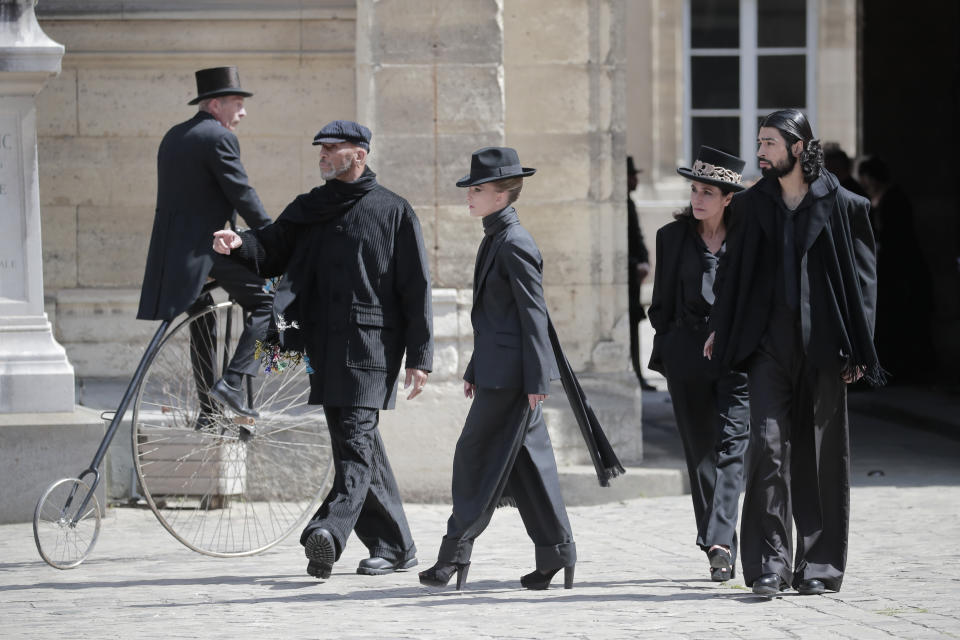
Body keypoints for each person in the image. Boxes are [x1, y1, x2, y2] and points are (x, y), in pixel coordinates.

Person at [212, 120, 433, 580]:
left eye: (333, 149)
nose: (323, 155)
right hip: (322, 347)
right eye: (321, 149)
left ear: (360, 154)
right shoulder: (310, 207)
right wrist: (238, 244)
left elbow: (416, 289)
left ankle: (328, 533)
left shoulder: (393, 210)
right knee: (357, 441)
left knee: (353, 443)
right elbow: (272, 249)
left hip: (372, 348)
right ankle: (397, 547)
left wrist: (421, 357)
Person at [419, 147, 623, 591]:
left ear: (503, 194)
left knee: (472, 459)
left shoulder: (515, 242)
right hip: (498, 371)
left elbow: (535, 317)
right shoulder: (495, 237)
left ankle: (452, 555)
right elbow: (495, 318)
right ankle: (558, 554)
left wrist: (536, 381)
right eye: (470, 189)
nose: (469, 196)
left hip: (513, 380)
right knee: (529, 468)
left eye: (477, 189)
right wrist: (475, 365)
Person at [705, 109, 882, 597]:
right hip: (766, 347)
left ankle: (820, 566)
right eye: (759, 143)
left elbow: (863, 286)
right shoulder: (754, 203)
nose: (760, 152)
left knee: (821, 457)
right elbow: (733, 272)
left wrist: (859, 346)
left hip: (825, 348)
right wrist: (721, 327)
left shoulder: (845, 205)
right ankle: (771, 564)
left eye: (769, 144)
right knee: (767, 447)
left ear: (798, 148)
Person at [138, 66, 273, 424]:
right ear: (215, 104)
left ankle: (208, 412)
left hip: (174, 257)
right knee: (268, 303)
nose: (243, 112)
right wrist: (275, 236)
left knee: (203, 323)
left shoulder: (174, 136)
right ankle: (231, 383)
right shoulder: (218, 137)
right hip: (206, 251)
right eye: (237, 103)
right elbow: (242, 193)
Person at [647, 146, 750, 582]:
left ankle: (720, 540)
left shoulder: (747, 238)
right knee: (701, 454)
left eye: (708, 192)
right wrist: (673, 344)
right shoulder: (671, 238)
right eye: (695, 189)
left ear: (728, 198)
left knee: (733, 446)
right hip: (687, 356)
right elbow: (661, 304)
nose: (698, 199)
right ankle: (717, 543)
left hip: (735, 356)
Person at [857, 155, 935, 383]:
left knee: (901, 321)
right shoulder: (887, 197)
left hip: (900, 272)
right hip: (893, 270)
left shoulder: (893, 198)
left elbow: (896, 236)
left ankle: (905, 369)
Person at [626, 156, 656, 391]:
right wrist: (636, 263)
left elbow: (638, 238)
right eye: (632, 175)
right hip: (626, 276)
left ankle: (637, 373)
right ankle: (634, 374)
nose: (636, 179)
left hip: (632, 275)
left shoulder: (629, 204)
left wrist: (644, 261)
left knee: (634, 326)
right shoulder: (622, 204)